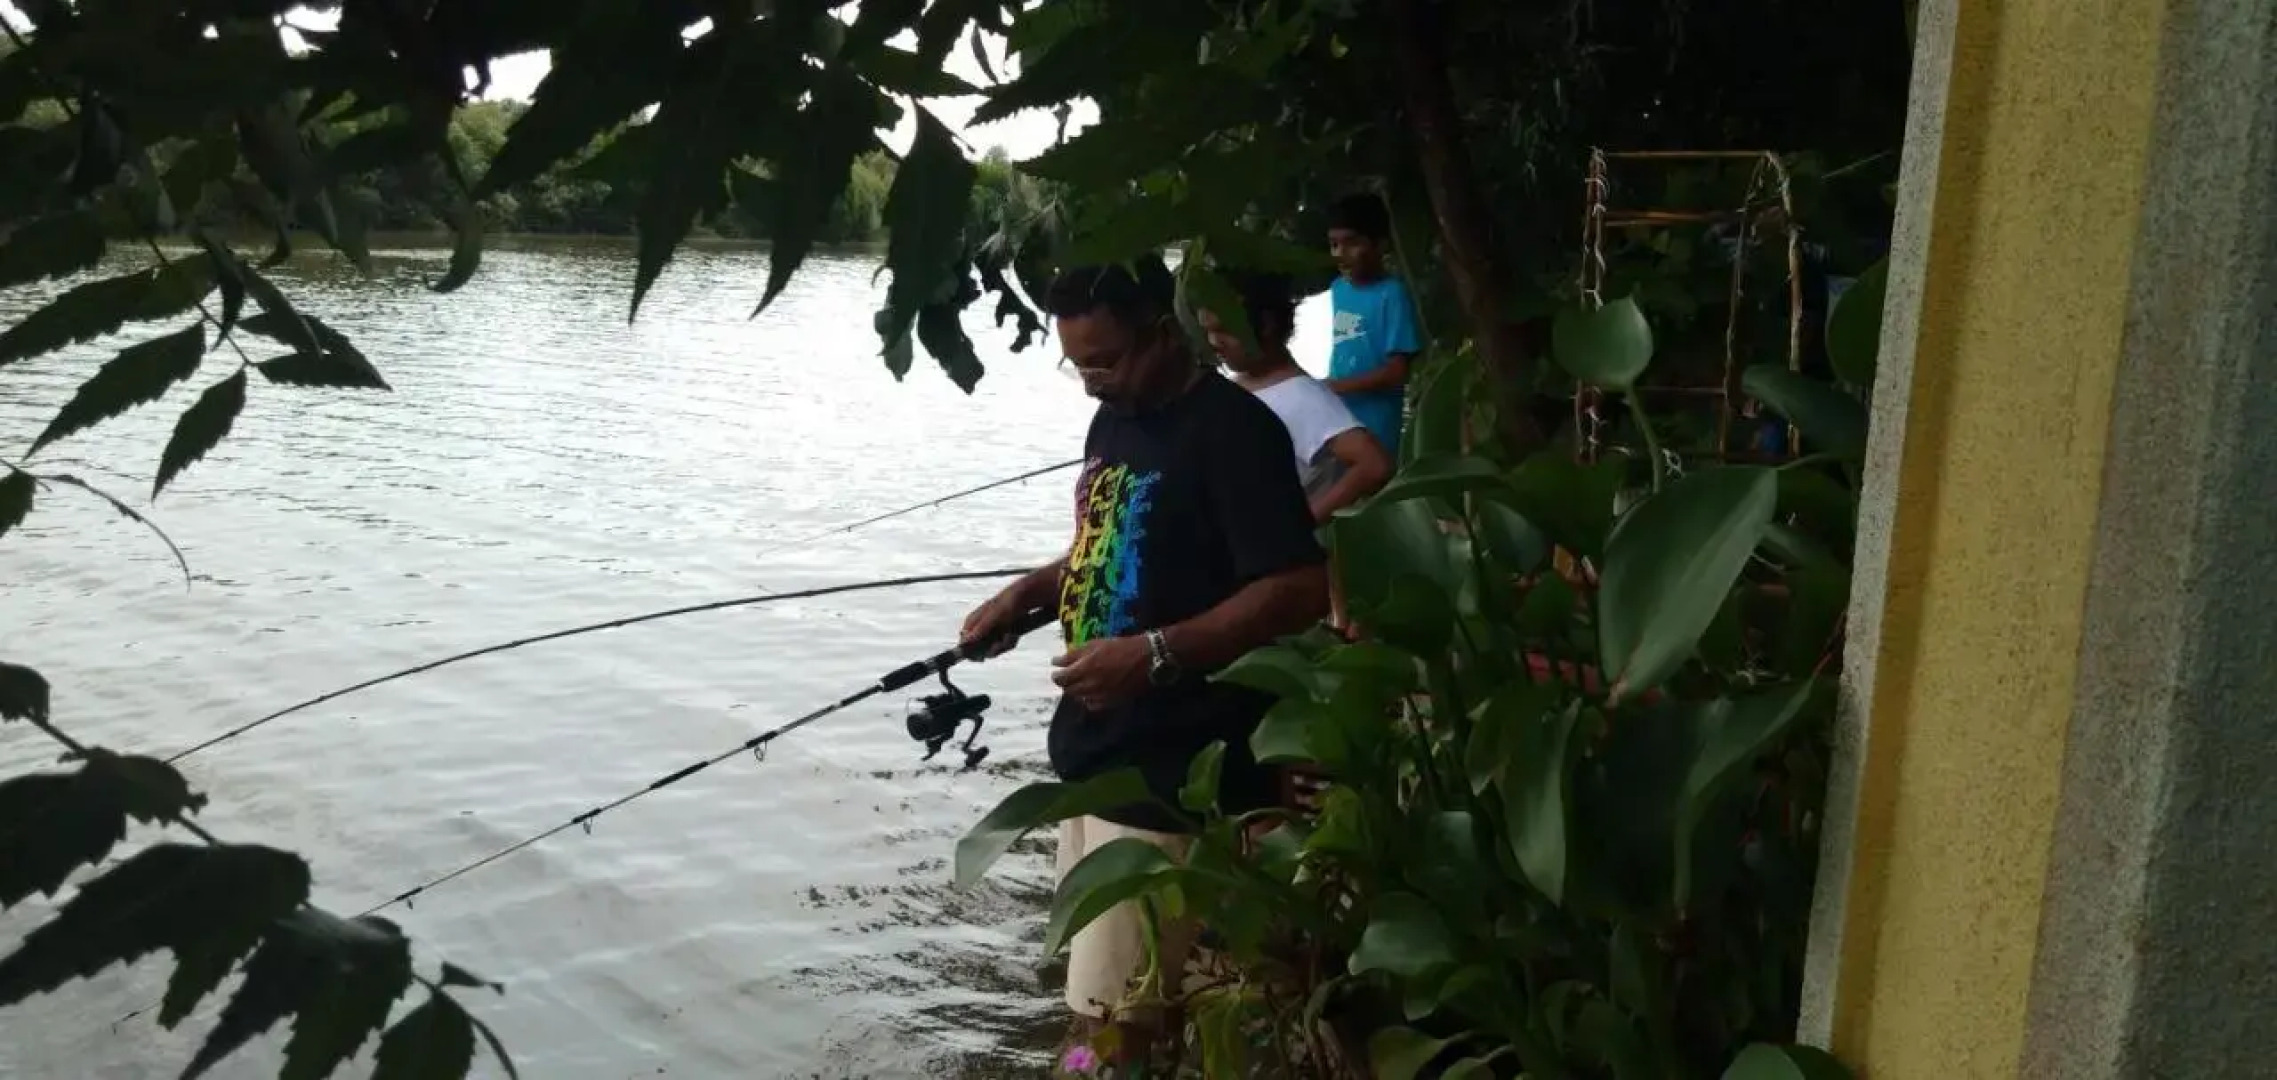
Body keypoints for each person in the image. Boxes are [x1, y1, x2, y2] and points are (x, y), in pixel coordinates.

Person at [958, 257, 1330, 1051]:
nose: (1091, 380)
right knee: (1131, 1002)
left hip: (1176, 771)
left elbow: (1297, 586)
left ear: (1164, 334)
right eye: (1076, 362)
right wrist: (1028, 596)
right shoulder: (1116, 418)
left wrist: (1155, 654)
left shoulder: (1234, 433)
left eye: (1105, 359)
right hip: (1098, 758)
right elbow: (1106, 546)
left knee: (1104, 1027)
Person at [1199, 271, 1392, 525]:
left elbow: (1374, 464)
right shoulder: (1234, 386)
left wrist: (1301, 525)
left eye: (1224, 330)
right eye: (1208, 331)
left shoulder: (1302, 396)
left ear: (1266, 325)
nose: (1214, 342)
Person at [1324, 192, 1423, 461]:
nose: (1340, 254)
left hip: (1377, 431)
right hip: (1340, 423)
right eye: (1333, 244)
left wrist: (1335, 387)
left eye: (1351, 243)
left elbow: (1396, 372)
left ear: (1380, 245)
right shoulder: (1338, 289)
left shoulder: (1392, 295)